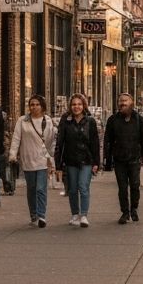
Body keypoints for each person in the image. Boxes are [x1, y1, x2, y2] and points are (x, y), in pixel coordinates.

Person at [9, 95, 56, 228]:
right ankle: (33, 214)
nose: (34, 107)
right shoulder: (22, 121)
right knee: (31, 188)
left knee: (41, 188)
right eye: (32, 104)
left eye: (37, 104)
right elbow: (16, 138)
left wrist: (51, 158)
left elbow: (51, 141)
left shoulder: (47, 120)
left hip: (42, 159)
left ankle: (41, 215)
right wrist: (12, 154)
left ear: (42, 106)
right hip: (28, 159)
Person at [103, 93, 143, 223]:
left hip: (135, 158)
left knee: (135, 185)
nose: (122, 103)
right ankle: (125, 212)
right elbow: (108, 140)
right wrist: (107, 158)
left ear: (132, 103)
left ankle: (134, 208)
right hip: (119, 159)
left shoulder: (140, 120)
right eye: (120, 101)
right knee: (122, 187)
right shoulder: (113, 120)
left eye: (125, 101)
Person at [55, 94, 100, 226]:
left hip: (86, 159)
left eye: (79, 104)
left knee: (83, 187)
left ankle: (84, 215)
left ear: (84, 105)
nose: (76, 107)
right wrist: (58, 163)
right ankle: (75, 214)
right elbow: (60, 142)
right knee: (73, 189)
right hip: (70, 159)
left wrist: (96, 162)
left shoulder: (90, 121)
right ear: (70, 106)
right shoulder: (65, 120)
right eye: (74, 104)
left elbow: (95, 142)